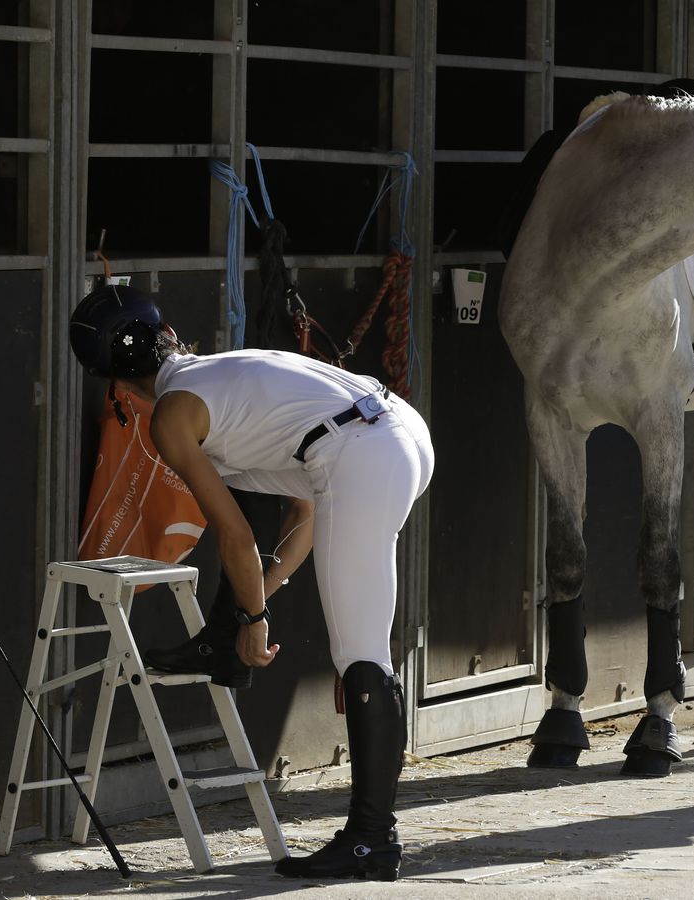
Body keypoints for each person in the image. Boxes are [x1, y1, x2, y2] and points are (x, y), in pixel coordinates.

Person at [68, 283, 434, 879]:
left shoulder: (170, 416)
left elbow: (236, 537)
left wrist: (257, 620)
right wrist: (251, 608)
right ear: (167, 337)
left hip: (364, 451)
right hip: (399, 431)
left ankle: (372, 841)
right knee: (360, 644)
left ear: (113, 383)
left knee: (361, 653)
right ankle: (221, 637)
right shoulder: (216, 374)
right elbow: (309, 506)